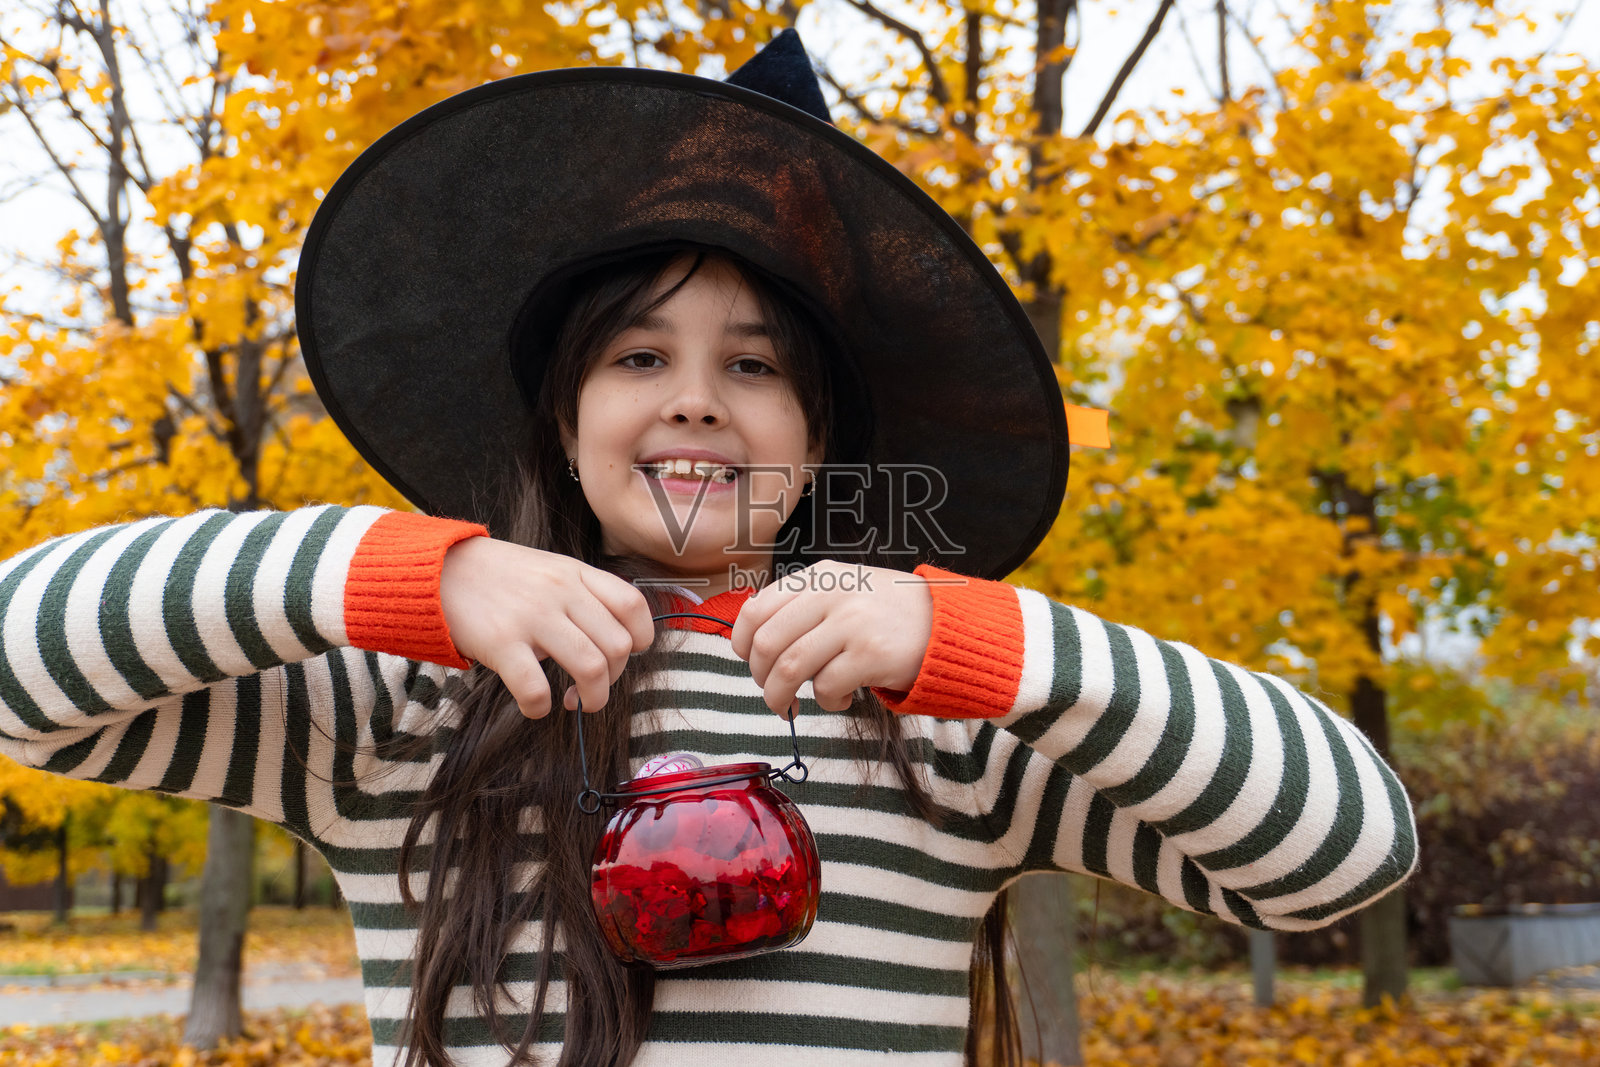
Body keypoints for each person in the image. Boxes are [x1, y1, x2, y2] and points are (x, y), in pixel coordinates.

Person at [0, 29, 1416, 1067]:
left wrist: (983, 640)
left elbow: (1347, 853)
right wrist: (407, 573)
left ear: (818, 436)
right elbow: (23, 674)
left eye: (755, 365)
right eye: (636, 354)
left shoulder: (953, 727)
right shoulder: (404, 710)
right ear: (562, 424)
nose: (692, 396)